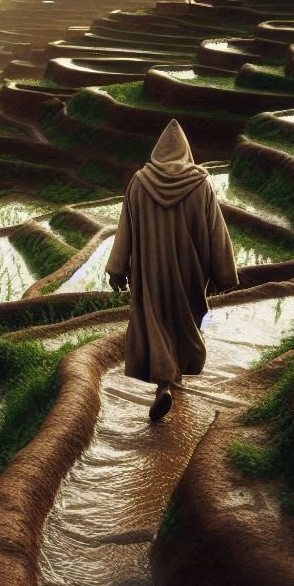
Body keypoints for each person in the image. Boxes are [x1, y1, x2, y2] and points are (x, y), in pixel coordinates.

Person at [106, 120, 237, 422]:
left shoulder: (139, 182)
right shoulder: (200, 184)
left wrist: (117, 270)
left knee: (157, 323)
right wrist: (224, 274)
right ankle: (168, 381)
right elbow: (216, 229)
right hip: (190, 271)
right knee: (183, 323)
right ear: (185, 151)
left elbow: (124, 228)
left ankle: (166, 381)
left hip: (149, 273)